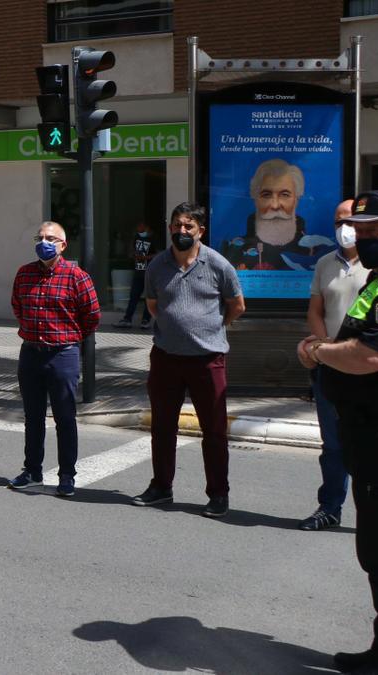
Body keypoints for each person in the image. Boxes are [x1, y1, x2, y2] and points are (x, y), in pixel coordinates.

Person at [305, 189, 378, 674]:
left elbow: (374, 355)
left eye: (377, 231)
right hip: (377, 434)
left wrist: (316, 352)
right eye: (362, 229)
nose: (365, 237)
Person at [132, 203, 245, 518]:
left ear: (200, 231)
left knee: (214, 431)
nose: (182, 231)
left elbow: (236, 305)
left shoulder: (219, 265)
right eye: (177, 225)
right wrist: (176, 328)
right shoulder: (157, 266)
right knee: (163, 428)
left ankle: (218, 494)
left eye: (189, 226)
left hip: (208, 360)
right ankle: (161, 487)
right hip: (166, 358)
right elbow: (154, 305)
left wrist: (209, 329)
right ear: (169, 227)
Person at [7, 220, 101, 497]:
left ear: (63, 245)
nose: (44, 242)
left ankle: (66, 475)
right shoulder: (24, 274)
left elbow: (92, 315)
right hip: (31, 353)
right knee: (33, 417)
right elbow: (17, 306)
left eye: (51, 238)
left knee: (65, 418)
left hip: (63, 354)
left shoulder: (76, 275)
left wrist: (69, 337)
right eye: (40, 237)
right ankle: (32, 470)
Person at [298, 198, 365, 531]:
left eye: (351, 220)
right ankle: (330, 507)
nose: (345, 228)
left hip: (369, 368)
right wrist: (327, 347)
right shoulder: (325, 263)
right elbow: (315, 310)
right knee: (333, 445)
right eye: (339, 222)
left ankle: (374, 515)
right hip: (330, 367)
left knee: (371, 443)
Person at [223, 159, 316, 271]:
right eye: (266, 195)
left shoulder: (312, 250)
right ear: (255, 198)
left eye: (284, 195)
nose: (275, 205)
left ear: (297, 199)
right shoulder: (234, 250)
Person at [114, 221, 155, 329]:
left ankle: (146, 320)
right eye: (137, 227)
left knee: (148, 297)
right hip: (138, 271)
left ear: (146, 227)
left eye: (140, 227)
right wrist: (133, 255)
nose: (138, 229)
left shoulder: (153, 239)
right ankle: (127, 319)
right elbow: (130, 251)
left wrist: (145, 258)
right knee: (134, 296)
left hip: (149, 273)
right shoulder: (136, 238)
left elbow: (158, 254)